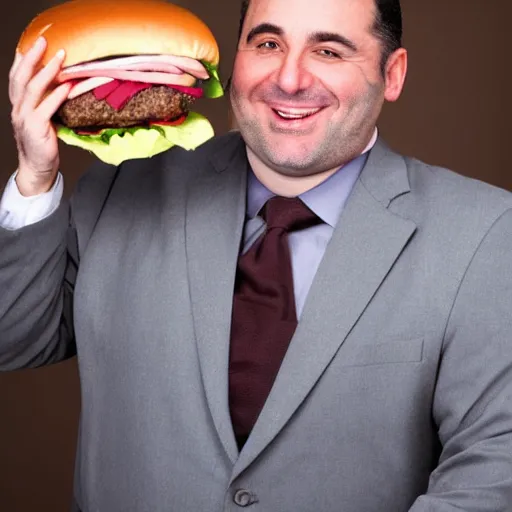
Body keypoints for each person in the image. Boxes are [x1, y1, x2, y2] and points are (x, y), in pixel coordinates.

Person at [1, 0, 512, 510]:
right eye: (268, 44)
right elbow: (15, 341)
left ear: (392, 73)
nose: (289, 79)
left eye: (329, 51)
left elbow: (495, 458)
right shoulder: (122, 187)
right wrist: (35, 177)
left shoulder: (484, 232)